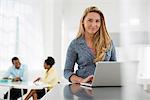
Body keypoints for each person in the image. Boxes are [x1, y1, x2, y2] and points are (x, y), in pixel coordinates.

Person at [64, 6, 117, 84]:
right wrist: (82, 81)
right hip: (83, 89)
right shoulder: (75, 44)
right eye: (90, 20)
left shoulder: (109, 42)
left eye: (97, 21)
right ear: (83, 21)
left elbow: (114, 68)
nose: (93, 24)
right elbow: (67, 72)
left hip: (105, 87)